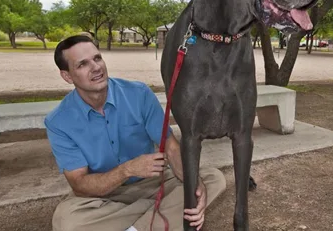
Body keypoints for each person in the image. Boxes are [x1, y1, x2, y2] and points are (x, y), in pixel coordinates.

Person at [45, 35, 226, 231]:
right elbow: (80, 185)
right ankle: (157, 214)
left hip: (154, 184)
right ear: (67, 76)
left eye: (97, 58)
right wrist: (127, 169)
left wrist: (194, 185)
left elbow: (172, 148)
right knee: (66, 221)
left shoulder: (139, 94)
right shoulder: (59, 121)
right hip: (104, 195)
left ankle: (136, 225)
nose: (96, 68)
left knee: (211, 178)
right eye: (82, 64)